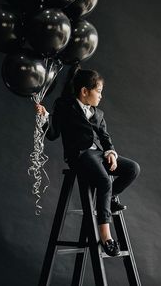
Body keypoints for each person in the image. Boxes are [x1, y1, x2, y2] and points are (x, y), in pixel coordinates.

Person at [35, 65, 140, 257]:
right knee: (105, 182)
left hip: (97, 154)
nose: (101, 96)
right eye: (98, 91)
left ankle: (107, 200)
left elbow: (106, 138)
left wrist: (110, 152)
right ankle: (106, 236)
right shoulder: (65, 106)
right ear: (85, 91)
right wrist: (43, 118)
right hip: (80, 155)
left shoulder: (98, 113)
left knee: (133, 168)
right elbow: (52, 134)